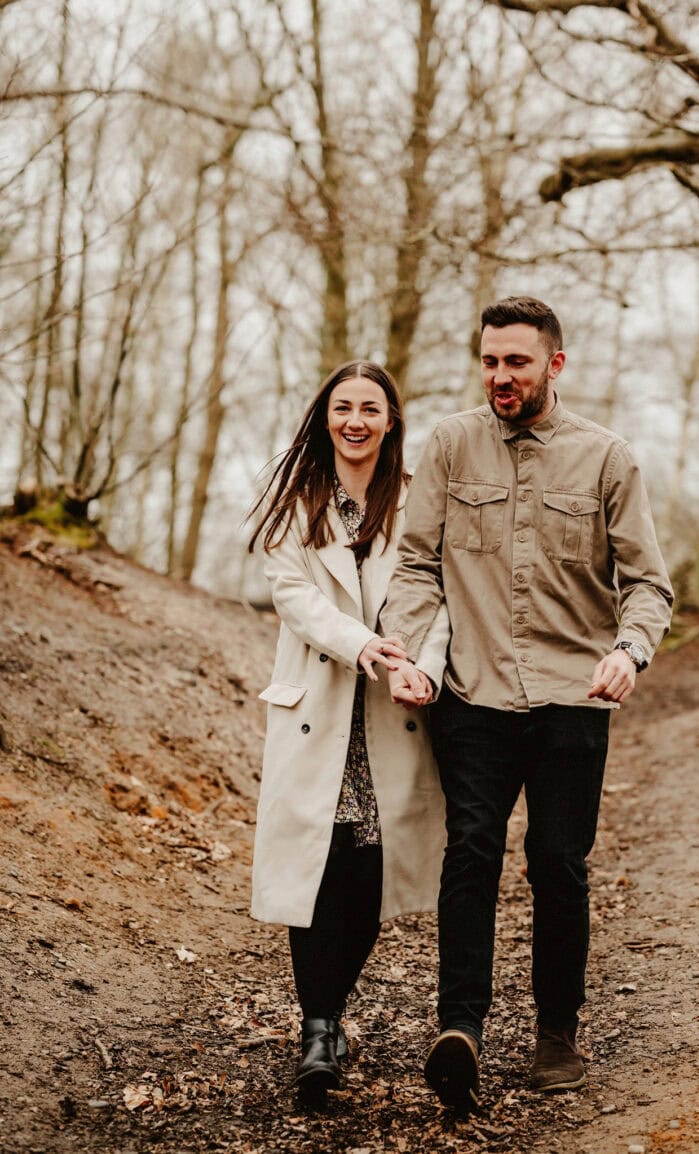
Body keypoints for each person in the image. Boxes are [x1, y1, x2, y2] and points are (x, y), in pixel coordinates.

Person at [380, 296, 674, 1110]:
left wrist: (628, 651)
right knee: (470, 852)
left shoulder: (607, 458)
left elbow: (649, 584)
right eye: (489, 361)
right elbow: (414, 566)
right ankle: (460, 1030)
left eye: (516, 360)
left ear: (555, 363)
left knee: (557, 865)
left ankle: (556, 1037)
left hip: (573, 697)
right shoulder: (449, 444)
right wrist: (405, 653)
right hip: (472, 693)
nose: (500, 376)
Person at [248, 360, 449, 1104]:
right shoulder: (292, 499)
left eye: (370, 407)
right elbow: (293, 595)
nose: (355, 420)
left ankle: (329, 1011)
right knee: (315, 867)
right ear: (325, 416)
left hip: (393, 713)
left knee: (369, 868)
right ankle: (320, 1028)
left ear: (391, 420)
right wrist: (362, 645)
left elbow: (440, 596)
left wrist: (422, 666)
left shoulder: (419, 500)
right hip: (318, 708)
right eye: (343, 407)